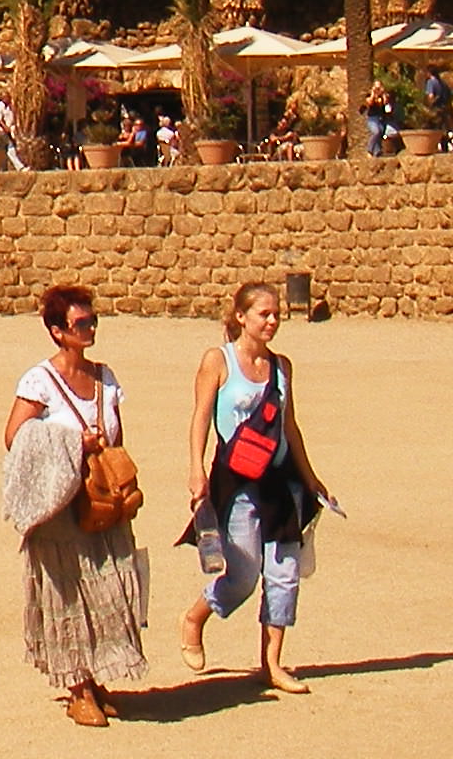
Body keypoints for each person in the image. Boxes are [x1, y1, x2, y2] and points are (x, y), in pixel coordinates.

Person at [2, 284, 145, 726]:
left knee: (107, 588)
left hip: (99, 501)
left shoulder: (106, 378)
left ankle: (95, 680)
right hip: (59, 508)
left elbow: (118, 434)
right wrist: (70, 443)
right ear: (57, 331)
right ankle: (77, 688)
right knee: (67, 593)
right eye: (80, 323)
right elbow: (14, 437)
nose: (90, 329)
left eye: (92, 320)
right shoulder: (39, 381)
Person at [179, 281, 330, 697]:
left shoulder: (282, 367)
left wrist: (311, 478)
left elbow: (289, 426)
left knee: (284, 572)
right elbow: (200, 417)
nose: (273, 320)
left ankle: (272, 664)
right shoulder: (218, 361)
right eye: (264, 314)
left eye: (277, 313)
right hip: (236, 482)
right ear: (241, 316)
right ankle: (195, 617)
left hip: (279, 481)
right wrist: (196, 470)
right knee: (243, 575)